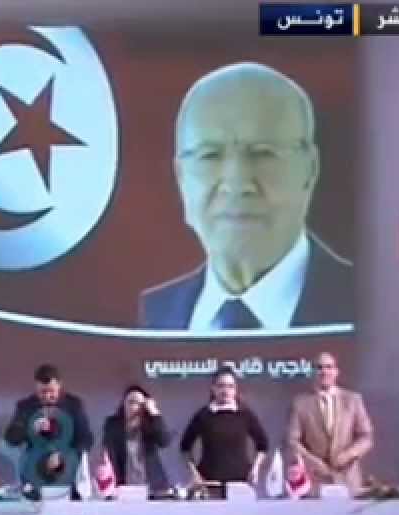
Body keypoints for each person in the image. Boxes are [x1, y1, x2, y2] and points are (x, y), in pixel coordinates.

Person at [139, 62, 353, 331]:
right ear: (181, 177)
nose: (237, 183)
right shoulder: (153, 318)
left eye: (263, 153)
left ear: (310, 169)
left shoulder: (376, 306)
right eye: (210, 155)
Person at [286, 352, 374, 495]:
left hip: (348, 479)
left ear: (336, 371)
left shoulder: (353, 400)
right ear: (312, 372)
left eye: (329, 367)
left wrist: (348, 455)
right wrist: (313, 462)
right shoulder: (300, 403)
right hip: (314, 480)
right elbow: (292, 441)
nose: (324, 372)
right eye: (319, 367)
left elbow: (366, 437)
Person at [4, 364, 94, 500]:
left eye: (51, 391)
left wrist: (63, 456)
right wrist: (30, 428)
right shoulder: (26, 407)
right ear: (36, 388)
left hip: (68, 473)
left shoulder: (74, 405)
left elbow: (86, 439)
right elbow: (10, 439)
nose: (47, 396)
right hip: (34, 473)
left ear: (59, 385)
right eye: (42, 392)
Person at [179, 367, 269, 499]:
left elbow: (263, 445)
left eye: (230, 386)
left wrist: (255, 469)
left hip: (240, 483)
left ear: (236, 390)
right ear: (213, 388)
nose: (226, 391)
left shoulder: (244, 414)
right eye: (221, 386)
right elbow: (185, 448)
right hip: (210, 484)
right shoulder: (204, 415)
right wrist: (195, 474)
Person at [101, 385, 172, 497]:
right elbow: (108, 450)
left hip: (152, 485)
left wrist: (155, 413)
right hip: (123, 484)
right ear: (123, 404)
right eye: (130, 402)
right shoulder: (113, 424)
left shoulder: (150, 424)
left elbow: (165, 441)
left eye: (138, 403)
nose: (133, 406)